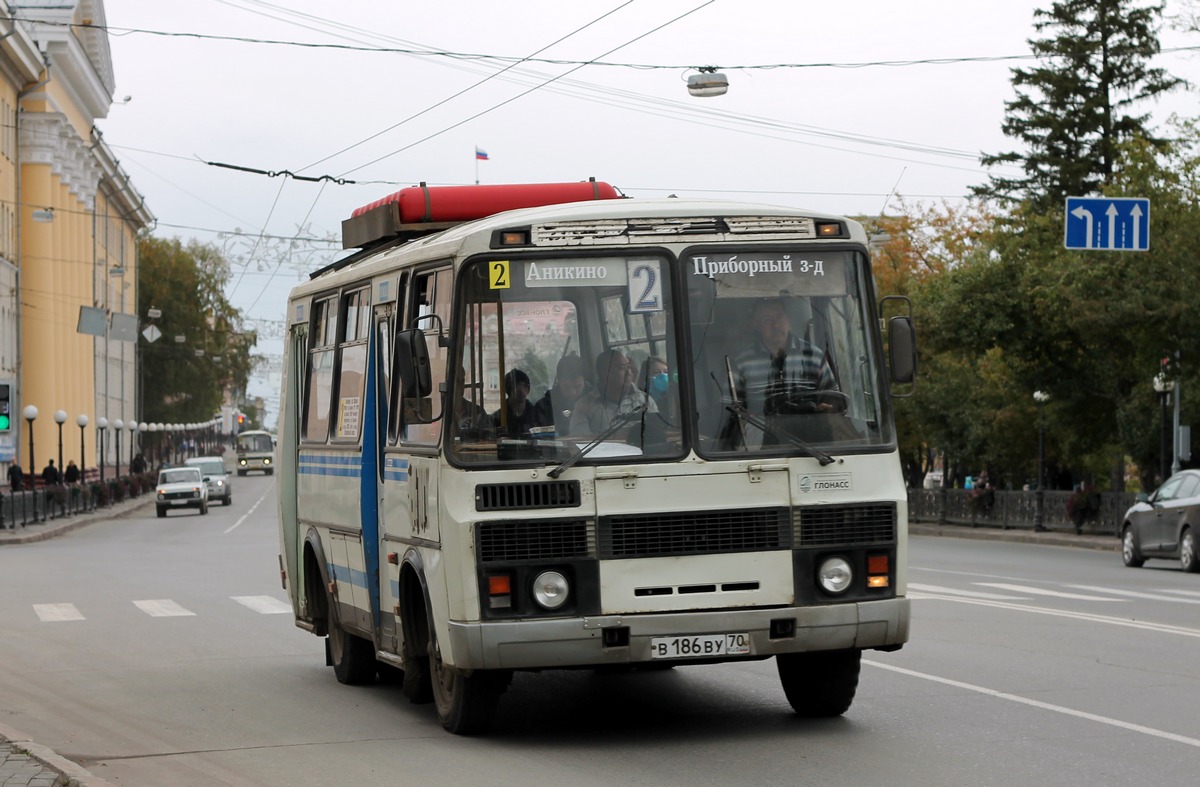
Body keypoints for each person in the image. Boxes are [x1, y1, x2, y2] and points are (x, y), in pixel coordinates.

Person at [729, 298, 840, 447]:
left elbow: (833, 397)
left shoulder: (813, 355)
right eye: (767, 319)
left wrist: (826, 407)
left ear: (788, 320)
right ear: (755, 325)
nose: (775, 325)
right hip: (761, 442)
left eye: (779, 317)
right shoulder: (742, 362)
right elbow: (729, 410)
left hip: (813, 444)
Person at [570, 349, 658, 436]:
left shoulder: (644, 400)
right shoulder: (584, 406)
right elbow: (580, 442)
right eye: (622, 368)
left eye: (629, 367)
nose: (629, 373)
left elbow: (658, 434)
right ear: (604, 373)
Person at [535, 354, 592, 437]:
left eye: (577, 387)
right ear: (558, 380)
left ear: (584, 380)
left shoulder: (597, 402)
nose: (572, 392)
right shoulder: (544, 407)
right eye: (566, 387)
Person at [492, 369, 545, 437]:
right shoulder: (498, 418)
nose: (521, 390)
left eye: (525, 386)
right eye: (517, 386)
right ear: (509, 389)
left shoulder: (537, 416)